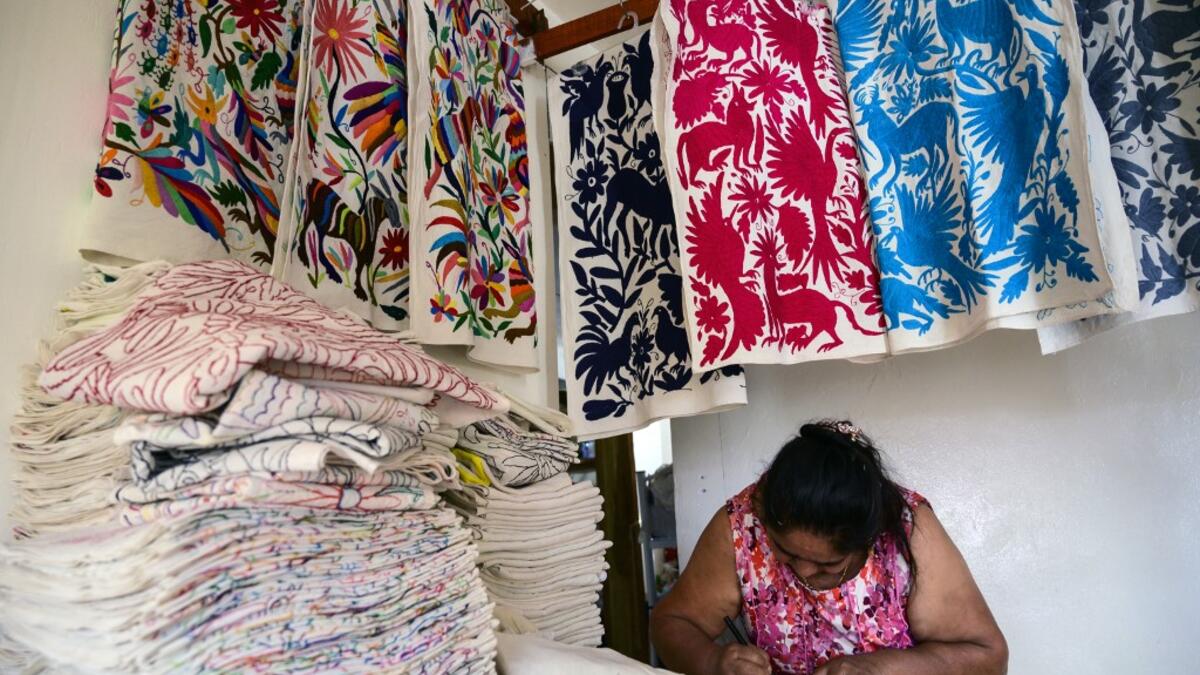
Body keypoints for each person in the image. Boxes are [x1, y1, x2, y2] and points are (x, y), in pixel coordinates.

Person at [650, 421, 1007, 675]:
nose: (803, 573)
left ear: (869, 538)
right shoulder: (742, 524)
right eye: (787, 554)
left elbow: (988, 658)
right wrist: (711, 663)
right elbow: (671, 623)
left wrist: (879, 670)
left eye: (828, 565)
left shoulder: (908, 530)